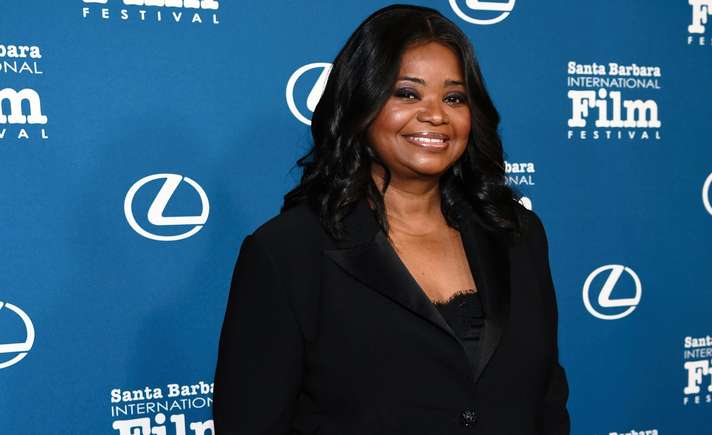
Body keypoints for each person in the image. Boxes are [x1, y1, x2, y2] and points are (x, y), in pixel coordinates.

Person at [214, 4, 569, 434]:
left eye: (454, 98)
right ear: (360, 103)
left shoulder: (517, 234)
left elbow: (547, 403)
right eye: (407, 93)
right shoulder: (288, 253)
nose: (435, 114)